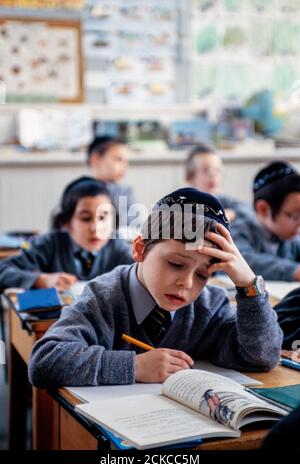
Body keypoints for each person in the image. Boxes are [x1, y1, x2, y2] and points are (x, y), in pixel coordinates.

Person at [28, 187, 282, 388]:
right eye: (175, 263)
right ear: (140, 249)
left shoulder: (209, 304)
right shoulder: (103, 298)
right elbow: (45, 361)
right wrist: (135, 367)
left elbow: (261, 357)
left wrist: (249, 286)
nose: (188, 283)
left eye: (203, 274)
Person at [0, 177, 133, 292]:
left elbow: (143, 274)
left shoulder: (118, 247)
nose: (96, 228)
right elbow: (3, 270)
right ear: (66, 222)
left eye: (103, 217)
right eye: (85, 218)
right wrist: (41, 280)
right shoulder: (49, 244)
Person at [231, 161, 300, 281]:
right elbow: (243, 261)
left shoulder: (290, 238)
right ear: (263, 209)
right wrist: (294, 271)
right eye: (295, 216)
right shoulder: (239, 232)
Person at [185, 143, 253, 222]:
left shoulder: (223, 201)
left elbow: (248, 210)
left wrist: (231, 213)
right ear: (190, 178)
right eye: (205, 170)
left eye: (217, 170)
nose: (213, 175)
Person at [87, 135, 136, 229]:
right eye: (119, 159)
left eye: (126, 161)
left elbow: (135, 229)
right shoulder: (77, 192)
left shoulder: (125, 192)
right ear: (95, 159)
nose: (125, 166)